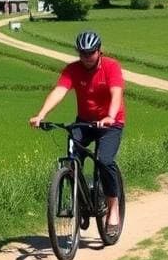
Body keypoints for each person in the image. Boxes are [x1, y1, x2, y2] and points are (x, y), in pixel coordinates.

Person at [29, 30, 125, 236]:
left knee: (104, 160)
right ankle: (79, 199)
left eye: (90, 53)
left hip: (110, 123)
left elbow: (116, 92)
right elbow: (59, 91)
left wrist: (109, 116)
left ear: (99, 52)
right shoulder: (72, 69)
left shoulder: (111, 67)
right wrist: (41, 114)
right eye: (82, 53)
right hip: (84, 122)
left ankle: (113, 208)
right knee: (72, 160)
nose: (86, 57)